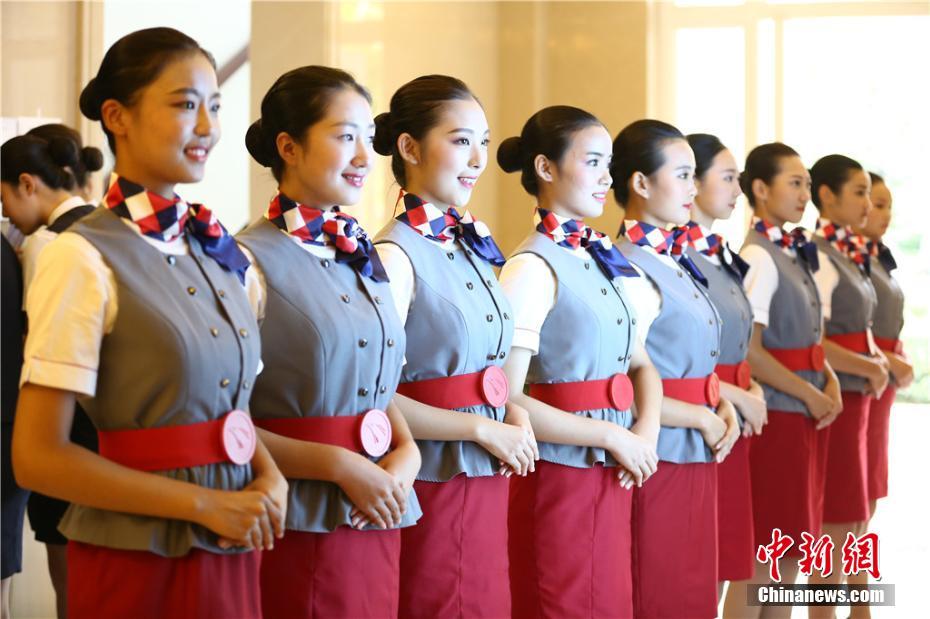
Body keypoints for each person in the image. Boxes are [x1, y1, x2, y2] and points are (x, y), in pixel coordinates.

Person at [11, 27, 286, 619]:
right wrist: (201, 505)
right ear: (119, 117)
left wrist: (269, 475)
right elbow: (38, 456)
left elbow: (227, 411)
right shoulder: (80, 255)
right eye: (186, 105)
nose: (210, 128)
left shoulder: (218, 250)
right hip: (135, 556)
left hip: (233, 537)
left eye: (214, 106)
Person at [237, 65, 421, 618]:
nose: (366, 156)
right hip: (296, 514)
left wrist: (406, 449)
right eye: (346, 137)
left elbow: (377, 382)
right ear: (288, 147)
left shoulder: (360, 251)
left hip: (382, 504)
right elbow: (224, 414)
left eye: (369, 137)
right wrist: (341, 467)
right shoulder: (245, 261)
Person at [373, 74, 537, 619]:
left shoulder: (475, 245)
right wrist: (479, 426)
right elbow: (373, 395)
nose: (477, 159)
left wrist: (510, 410)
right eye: (461, 140)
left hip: (490, 471)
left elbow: (489, 366)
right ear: (410, 147)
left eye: (484, 142)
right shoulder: (394, 256)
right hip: (435, 477)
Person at [497, 105, 661, 619]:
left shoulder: (597, 257)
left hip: (612, 471)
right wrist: (613, 437)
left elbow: (640, 361)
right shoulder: (530, 266)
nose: (605, 177)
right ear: (546, 168)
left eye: (608, 164)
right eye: (592, 161)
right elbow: (506, 397)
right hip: (559, 477)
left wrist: (646, 432)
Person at [612, 119, 739, 618]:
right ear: (641, 183)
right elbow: (625, 378)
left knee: (694, 594)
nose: (693, 187)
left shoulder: (676, 257)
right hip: (658, 454)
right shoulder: (622, 264)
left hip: (700, 447)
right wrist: (703, 417)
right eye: (683, 175)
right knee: (660, 593)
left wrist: (721, 403)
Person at [0, 126, 104, 619]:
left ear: (27, 184)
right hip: (105, 426)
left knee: (72, 588)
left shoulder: (48, 244)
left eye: (3, 198)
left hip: (64, 424)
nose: (4, 214)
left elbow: (35, 346)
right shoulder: (107, 225)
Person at [739, 143, 843, 619]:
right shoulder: (758, 257)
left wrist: (829, 383)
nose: (805, 194)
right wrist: (808, 393)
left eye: (806, 183)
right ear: (760, 189)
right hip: (779, 417)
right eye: (794, 183)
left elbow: (811, 337)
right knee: (767, 556)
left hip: (802, 414)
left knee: (792, 554)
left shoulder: (789, 249)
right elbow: (751, 352)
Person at [684, 133, 767, 617]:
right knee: (696, 560)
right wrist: (736, 393)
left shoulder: (719, 251)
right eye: (728, 178)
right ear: (690, 182)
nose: (738, 190)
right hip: (702, 413)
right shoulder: (676, 256)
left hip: (734, 407)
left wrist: (749, 388)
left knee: (722, 556)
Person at [808, 154, 889, 619]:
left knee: (855, 515)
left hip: (862, 400)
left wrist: (875, 359)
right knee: (835, 519)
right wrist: (865, 363)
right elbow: (813, 338)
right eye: (858, 192)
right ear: (827, 196)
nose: (867, 203)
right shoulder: (819, 254)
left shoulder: (850, 252)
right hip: (839, 397)